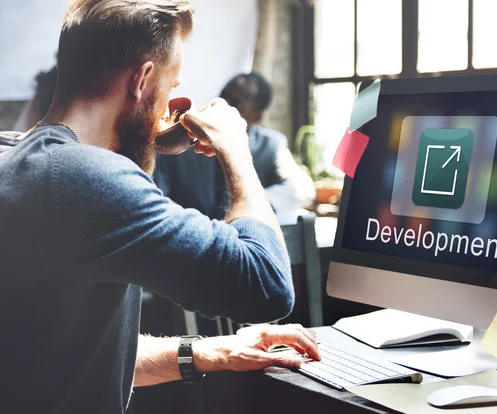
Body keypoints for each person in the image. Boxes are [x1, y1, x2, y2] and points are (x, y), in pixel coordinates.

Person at [0, 1, 319, 413]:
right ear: (142, 79)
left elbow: (64, 354)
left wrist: (214, 351)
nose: (169, 105)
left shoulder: (16, 157)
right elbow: (267, 285)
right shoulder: (86, 177)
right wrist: (237, 151)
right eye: (171, 86)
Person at [154, 72, 316, 223]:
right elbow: (157, 195)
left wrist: (250, 205)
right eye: (223, 96)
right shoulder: (181, 141)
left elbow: (302, 188)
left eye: (236, 102)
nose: (224, 104)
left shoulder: (270, 145)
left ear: (258, 116)